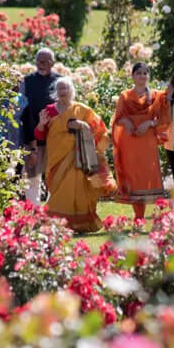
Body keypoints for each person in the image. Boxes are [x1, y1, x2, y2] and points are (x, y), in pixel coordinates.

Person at [34, 77, 116, 232]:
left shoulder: (82, 110)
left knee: (79, 189)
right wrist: (41, 124)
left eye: (66, 88)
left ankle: (80, 225)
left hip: (79, 157)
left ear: (72, 91)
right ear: (55, 92)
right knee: (59, 193)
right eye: (60, 89)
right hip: (57, 159)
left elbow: (99, 129)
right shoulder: (48, 111)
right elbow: (39, 135)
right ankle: (56, 224)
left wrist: (82, 125)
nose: (63, 91)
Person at [111, 62, 170, 220]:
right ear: (133, 76)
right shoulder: (125, 95)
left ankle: (158, 216)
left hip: (147, 140)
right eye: (139, 73)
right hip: (130, 140)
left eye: (145, 73)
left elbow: (163, 115)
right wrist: (127, 122)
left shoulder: (156, 95)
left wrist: (149, 123)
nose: (142, 76)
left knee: (147, 174)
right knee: (133, 176)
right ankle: (139, 216)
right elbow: (118, 118)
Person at [20, 48, 60, 205]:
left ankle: (55, 209)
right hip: (32, 137)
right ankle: (34, 212)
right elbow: (22, 109)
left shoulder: (59, 81)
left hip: (55, 137)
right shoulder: (27, 81)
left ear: (52, 63)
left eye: (45, 61)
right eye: (38, 61)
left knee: (55, 177)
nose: (41, 65)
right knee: (32, 177)